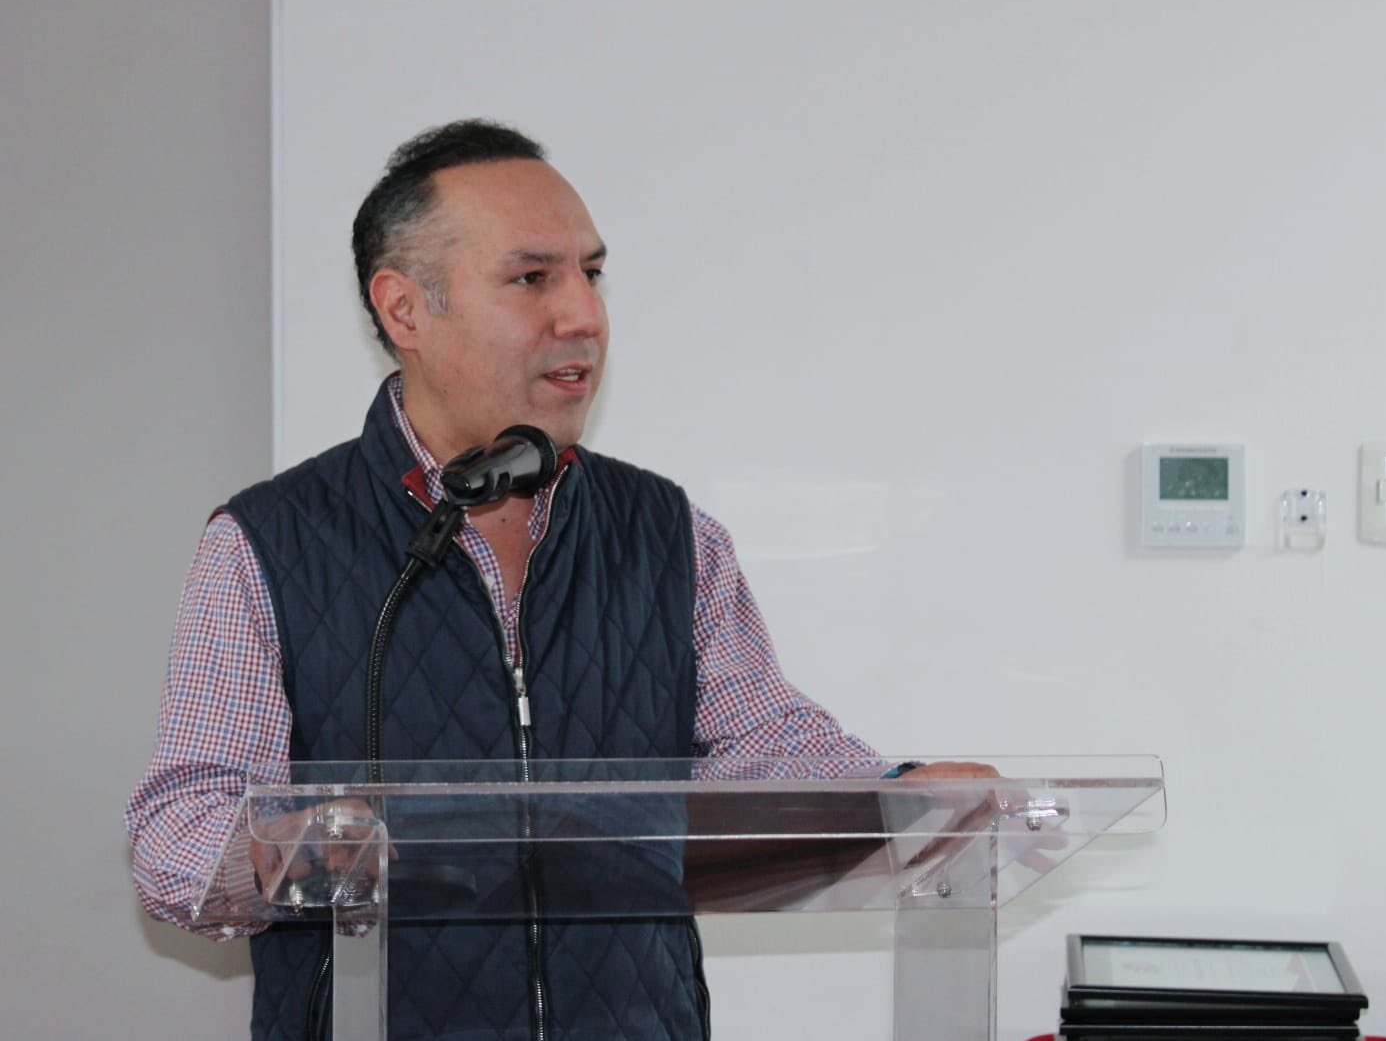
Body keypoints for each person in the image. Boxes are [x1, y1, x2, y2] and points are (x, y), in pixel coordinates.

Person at [126, 119, 993, 1041]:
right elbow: (177, 837)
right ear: (405, 309)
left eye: (592, 273)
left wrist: (900, 792)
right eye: (532, 278)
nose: (582, 315)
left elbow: (757, 744)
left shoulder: (668, 532)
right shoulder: (270, 541)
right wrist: (308, 847)